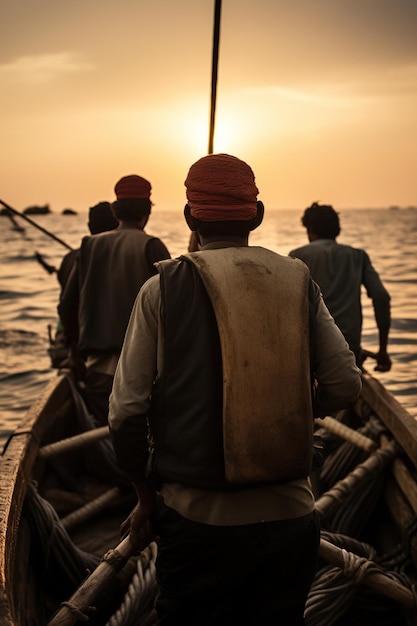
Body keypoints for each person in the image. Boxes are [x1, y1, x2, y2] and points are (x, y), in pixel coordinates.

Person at [108, 154, 362, 625]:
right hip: (291, 518)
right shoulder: (298, 279)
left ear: (189, 218)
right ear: (258, 216)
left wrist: (144, 497)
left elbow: (125, 413)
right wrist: (301, 409)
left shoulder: (160, 288)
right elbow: (346, 384)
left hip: (197, 522)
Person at [58, 174, 171, 426]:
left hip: (96, 371)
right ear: (147, 211)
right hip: (142, 374)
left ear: (115, 210)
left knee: (104, 433)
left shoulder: (89, 245)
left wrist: (74, 354)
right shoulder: (152, 246)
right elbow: (172, 312)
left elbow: (66, 305)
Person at [289, 202, 392, 371]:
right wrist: (383, 350)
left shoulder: (298, 257)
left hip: (312, 353)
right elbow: (381, 297)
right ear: (337, 230)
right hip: (349, 350)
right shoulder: (358, 256)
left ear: (309, 230)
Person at [49, 202, 119, 369]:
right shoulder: (116, 259)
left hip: (74, 342)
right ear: (117, 224)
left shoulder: (69, 258)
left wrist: (72, 349)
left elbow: (66, 306)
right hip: (101, 346)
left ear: (89, 226)